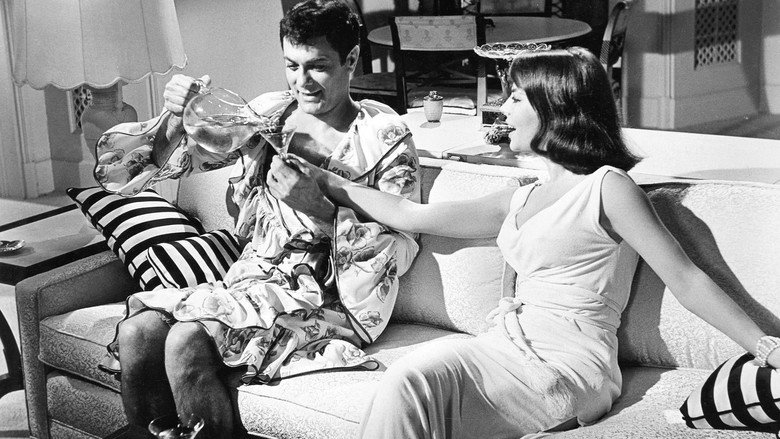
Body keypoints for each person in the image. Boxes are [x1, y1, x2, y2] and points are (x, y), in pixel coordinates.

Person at [284, 46, 780, 438]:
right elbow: (411, 214)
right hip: (505, 347)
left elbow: (688, 279)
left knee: (411, 380)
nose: (503, 109)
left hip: (566, 363)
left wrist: (767, 348)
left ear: (553, 106)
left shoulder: (607, 188)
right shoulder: (522, 196)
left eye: (516, 98)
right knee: (412, 388)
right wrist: (327, 181)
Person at [92, 1, 421, 437]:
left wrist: (322, 210)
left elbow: (403, 244)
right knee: (137, 334)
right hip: (252, 282)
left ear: (352, 59)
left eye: (318, 66)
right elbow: (130, 173)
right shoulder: (270, 115)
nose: (302, 81)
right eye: (291, 65)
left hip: (329, 299)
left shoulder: (383, 138)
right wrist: (178, 117)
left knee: (187, 340)